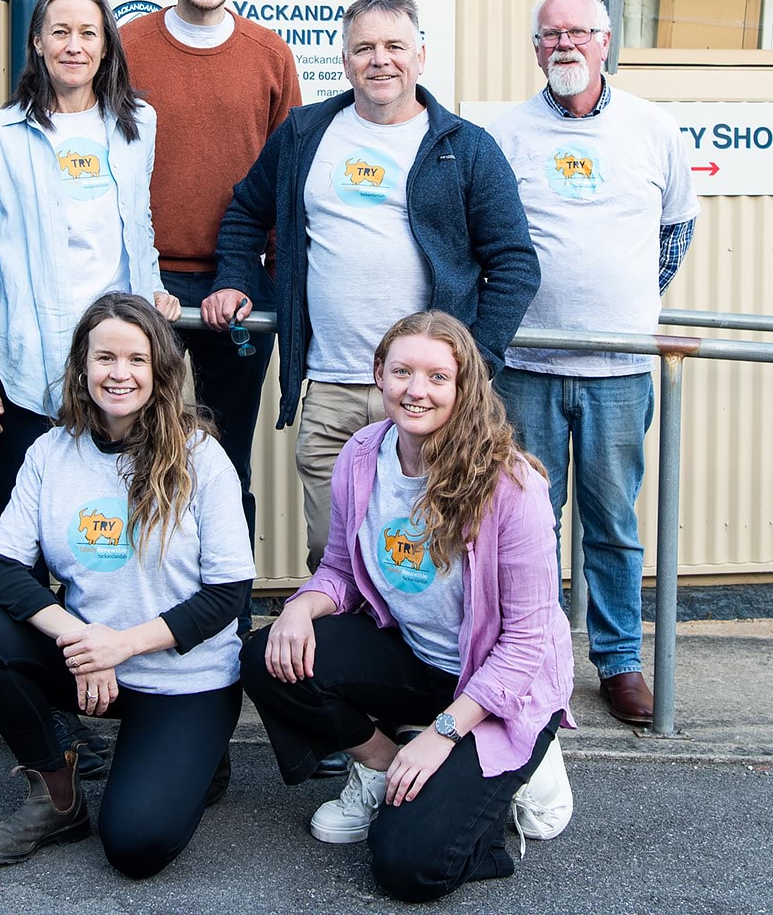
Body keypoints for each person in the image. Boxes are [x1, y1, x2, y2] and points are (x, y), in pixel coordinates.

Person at [240, 311, 575, 903]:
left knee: (407, 867)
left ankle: (514, 774)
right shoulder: (364, 454)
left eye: (437, 377)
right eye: (402, 372)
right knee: (268, 654)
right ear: (379, 375)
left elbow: (527, 642)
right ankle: (383, 767)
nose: (416, 390)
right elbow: (340, 568)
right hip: (417, 658)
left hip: (500, 689)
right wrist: (299, 608)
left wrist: (444, 735)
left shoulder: (511, 485)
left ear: (464, 386)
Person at [203, 0, 540, 572]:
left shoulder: (465, 147)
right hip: (331, 389)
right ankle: (346, 660)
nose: (379, 60)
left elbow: (515, 263)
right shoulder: (306, 133)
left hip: (426, 397)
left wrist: (471, 362)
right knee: (331, 556)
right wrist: (236, 278)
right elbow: (245, 214)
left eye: (394, 46)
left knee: (424, 560)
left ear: (420, 57)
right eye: (364, 48)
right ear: (344, 60)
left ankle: (422, 661)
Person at [0, 292, 255, 876]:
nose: (119, 374)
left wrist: (121, 645)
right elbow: (0, 568)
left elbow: (228, 596)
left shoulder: (201, 457)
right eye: (105, 358)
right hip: (96, 668)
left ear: (161, 369)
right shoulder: (50, 452)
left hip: (185, 680)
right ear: (82, 366)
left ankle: (200, 751)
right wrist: (85, 643)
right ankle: (57, 795)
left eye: (137, 360)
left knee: (137, 846)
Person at [489, 0, 699, 727]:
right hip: (526, 368)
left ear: (606, 42)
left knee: (612, 520)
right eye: (550, 33)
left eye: (579, 31)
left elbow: (675, 232)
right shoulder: (505, 132)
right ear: (535, 47)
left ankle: (618, 662)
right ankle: (536, 654)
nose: (564, 44)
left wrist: (625, 303)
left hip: (620, 369)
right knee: (527, 521)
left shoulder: (653, 128)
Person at [120, 0, 300, 626]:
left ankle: (225, 615)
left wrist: (276, 281)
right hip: (142, 281)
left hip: (239, 285)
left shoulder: (269, 54)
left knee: (224, 454)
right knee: (134, 445)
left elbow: (288, 180)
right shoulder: (127, 44)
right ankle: (136, 603)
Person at [0, 0, 180, 509]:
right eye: (60, 32)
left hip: (116, 369)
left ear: (106, 46)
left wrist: (153, 291)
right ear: (38, 42)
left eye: (87, 33)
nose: (73, 46)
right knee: (24, 524)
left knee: (110, 524)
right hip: (25, 368)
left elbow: (137, 228)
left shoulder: (137, 125)